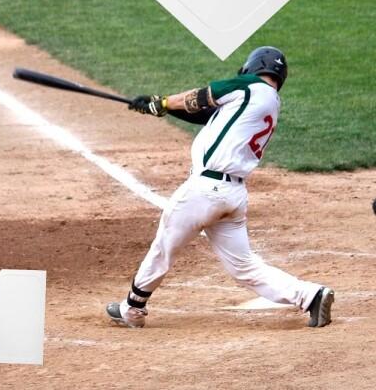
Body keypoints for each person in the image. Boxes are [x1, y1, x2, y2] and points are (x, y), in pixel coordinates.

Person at [106, 46, 334, 329]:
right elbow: (207, 114)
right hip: (232, 196)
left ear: (254, 66)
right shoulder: (267, 101)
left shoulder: (249, 85)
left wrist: (162, 102)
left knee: (163, 247)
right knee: (245, 267)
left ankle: (132, 309)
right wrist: (162, 109)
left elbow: (202, 97)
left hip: (204, 191)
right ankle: (311, 296)